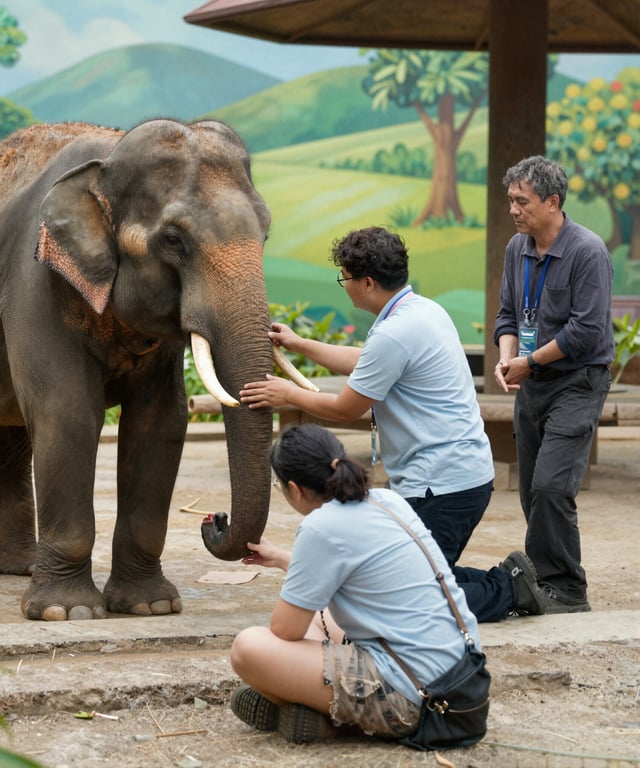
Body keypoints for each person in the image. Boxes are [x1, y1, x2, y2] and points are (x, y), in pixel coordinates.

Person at [240, 226, 549, 621]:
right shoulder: (420, 311)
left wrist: (288, 395)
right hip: (456, 477)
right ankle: (510, 581)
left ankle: (508, 590)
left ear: (367, 282)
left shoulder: (396, 331)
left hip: (443, 487)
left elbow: (347, 407)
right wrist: (301, 344)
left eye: (345, 278)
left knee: (403, 596)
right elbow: (368, 359)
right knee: (404, 573)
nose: (344, 285)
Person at [229, 423, 483, 744]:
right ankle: (314, 709)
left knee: (249, 648)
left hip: (421, 700)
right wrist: (283, 559)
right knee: (318, 614)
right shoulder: (387, 500)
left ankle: (331, 720)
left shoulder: (319, 527)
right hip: (466, 682)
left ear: (295, 489)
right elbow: (357, 570)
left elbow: (284, 631)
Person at [494, 155, 615, 613]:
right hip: (532, 381)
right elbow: (508, 314)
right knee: (530, 490)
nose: (514, 209)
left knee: (551, 486)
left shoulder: (587, 251)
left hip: (578, 380)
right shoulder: (516, 249)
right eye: (511, 200)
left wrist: (529, 361)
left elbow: (586, 331)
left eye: (522, 201)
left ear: (552, 202)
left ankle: (568, 590)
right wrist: (509, 360)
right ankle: (543, 580)